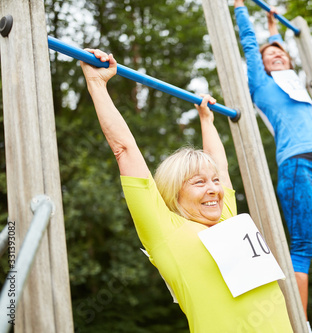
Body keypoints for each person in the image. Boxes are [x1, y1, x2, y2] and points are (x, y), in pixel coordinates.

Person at [80, 49, 293, 332]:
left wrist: (207, 120)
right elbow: (124, 149)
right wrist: (96, 84)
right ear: (175, 193)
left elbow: (220, 167)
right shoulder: (165, 231)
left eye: (214, 182)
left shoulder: (226, 218)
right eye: (199, 182)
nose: (214, 190)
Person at [233, 2, 312, 333]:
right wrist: (240, 8)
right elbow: (250, 43)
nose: (277, 55)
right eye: (270, 55)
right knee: (303, 247)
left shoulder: (295, 84)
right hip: (295, 165)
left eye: (282, 54)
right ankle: (301, 327)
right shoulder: (261, 85)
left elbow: (280, 51)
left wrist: (274, 30)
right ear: (261, 66)